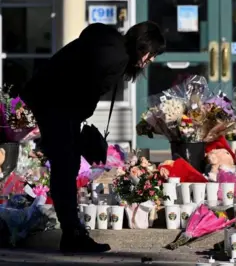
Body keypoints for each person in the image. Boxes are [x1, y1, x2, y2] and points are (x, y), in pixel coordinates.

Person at [19, 21, 165, 253]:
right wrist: (79, 131)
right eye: (153, 53)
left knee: (65, 165)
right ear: (143, 46)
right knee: (65, 166)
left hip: (50, 101)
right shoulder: (114, 56)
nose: (152, 59)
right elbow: (79, 87)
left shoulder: (112, 47)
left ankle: (73, 232)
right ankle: (72, 235)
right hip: (56, 103)